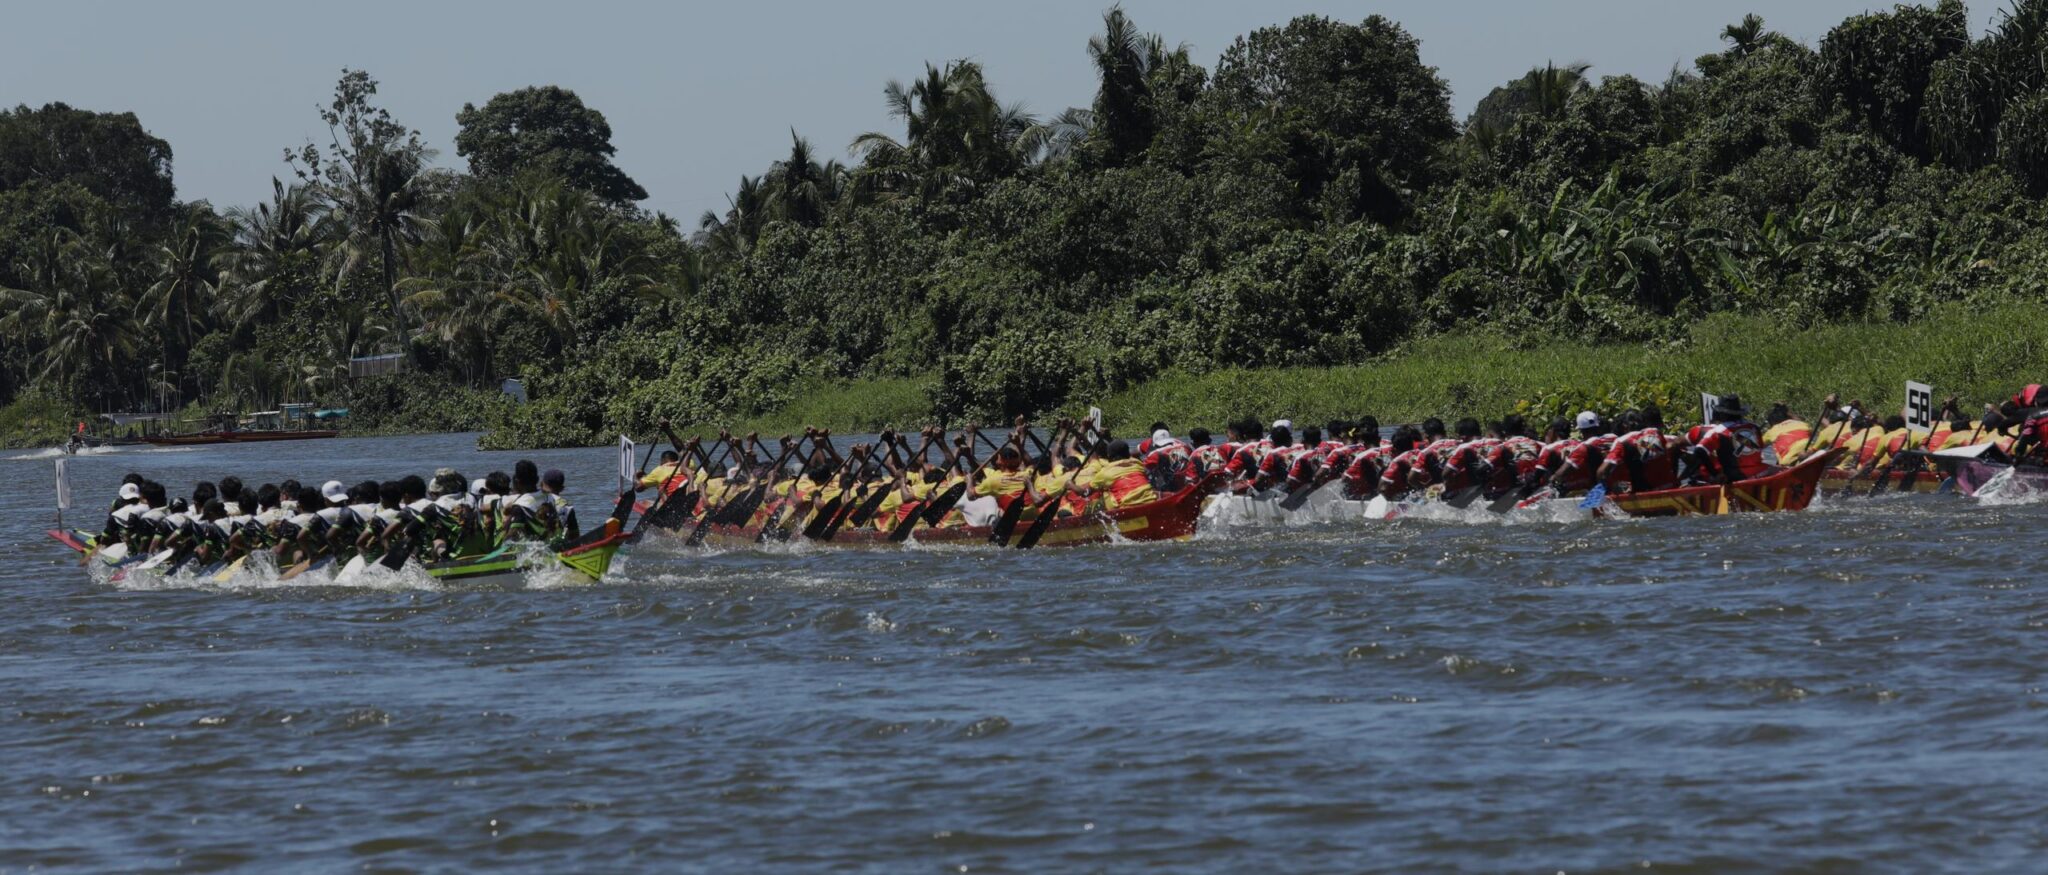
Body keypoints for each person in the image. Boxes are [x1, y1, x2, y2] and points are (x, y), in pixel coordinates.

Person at [1691, 395, 1766, 484]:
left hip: (1734, 477)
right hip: (1760, 474)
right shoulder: (1754, 427)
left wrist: (1715, 474)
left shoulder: (1718, 431)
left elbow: (1699, 450)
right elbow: (1760, 449)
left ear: (1722, 414)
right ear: (1740, 413)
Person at [1079, 440, 1157, 511]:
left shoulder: (1105, 472)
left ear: (1109, 455)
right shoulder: (1137, 463)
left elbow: (1085, 492)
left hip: (1126, 509)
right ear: (1128, 453)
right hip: (1151, 502)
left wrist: (1072, 485)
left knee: (1101, 497)